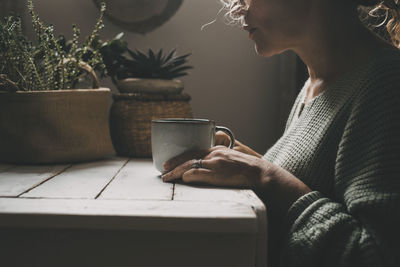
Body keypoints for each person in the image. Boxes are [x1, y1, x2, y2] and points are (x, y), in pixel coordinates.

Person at [161, 0, 400, 266]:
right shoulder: (315, 85)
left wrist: (263, 175)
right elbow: (315, 185)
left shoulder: (388, 84)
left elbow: (377, 255)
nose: (236, 9)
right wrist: (247, 162)